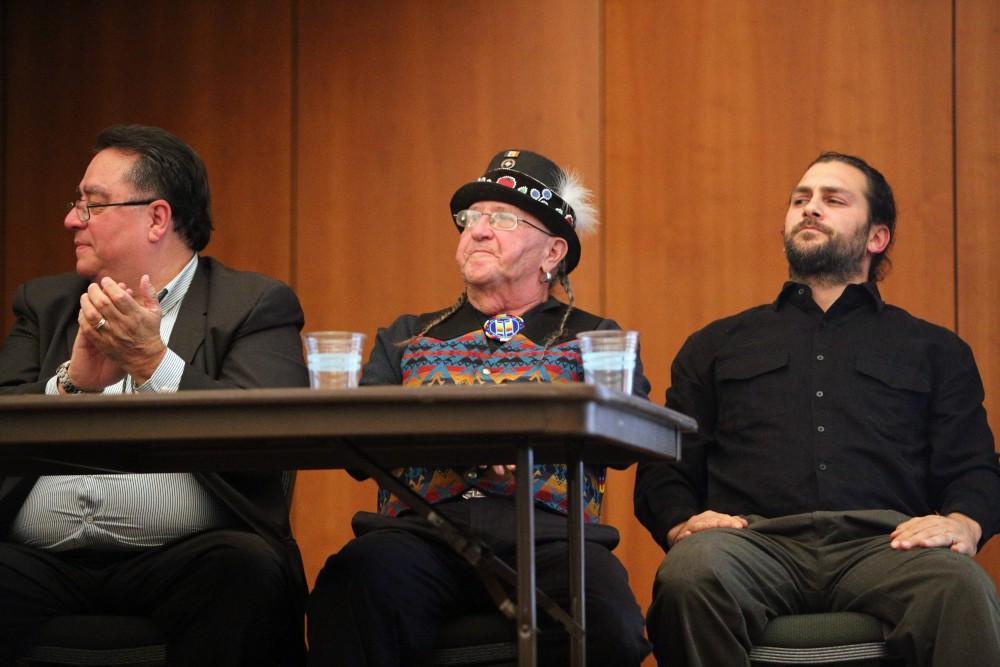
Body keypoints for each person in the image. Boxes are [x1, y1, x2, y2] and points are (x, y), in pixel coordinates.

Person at [634, 151, 1000, 666]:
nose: (809, 209)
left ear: (876, 237)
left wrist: (964, 522)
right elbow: (665, 464)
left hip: (887, 546)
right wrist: (680, 525)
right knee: (689, 574)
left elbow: (974, 468)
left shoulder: (934, 350)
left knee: (961, 585)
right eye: (800, 199)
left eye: (833, 200)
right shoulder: (716, 344)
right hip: (752, 545)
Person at [306, 150, 652, 665]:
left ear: (552, 252)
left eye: (503, 219)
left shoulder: (596, 339)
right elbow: (356, 444)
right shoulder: (406, 337)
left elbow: (628, 438)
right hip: (419, 534)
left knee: (612, 621)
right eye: (472, 219)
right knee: (353, 583)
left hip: (551, 540)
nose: (479, 231)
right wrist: (461, 443)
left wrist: (527, 443)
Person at [0, 124, 309, 665]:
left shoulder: (254, 305)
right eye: (78, 204)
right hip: (37, 558)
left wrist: (153, 365)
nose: (72, 219)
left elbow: (271, 438)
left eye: (92, 205)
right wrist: (71, 387)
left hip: (185, 559)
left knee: (246, 570)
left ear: (157, 218)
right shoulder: (43, 305)